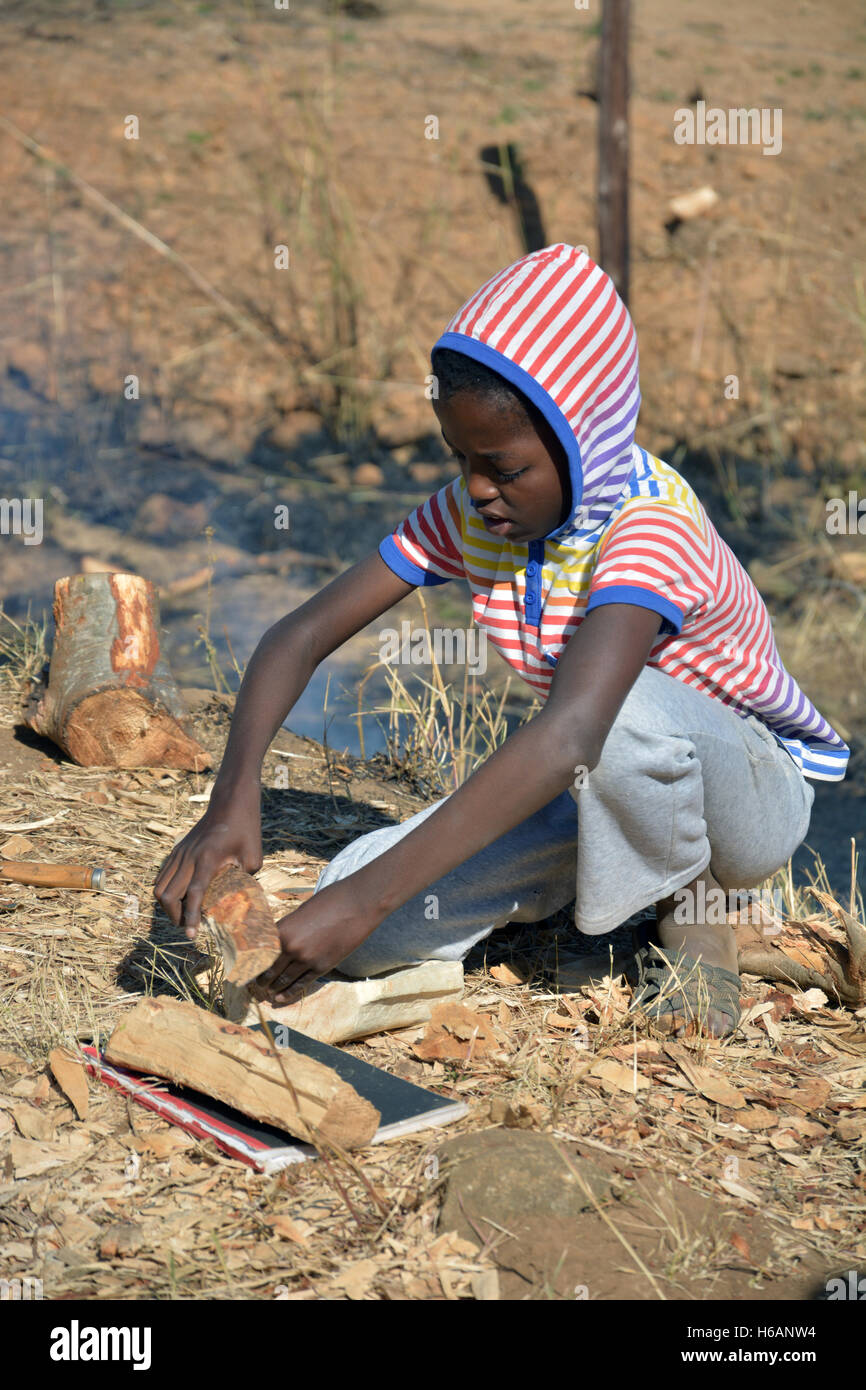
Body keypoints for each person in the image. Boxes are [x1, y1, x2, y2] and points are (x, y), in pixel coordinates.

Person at [155, 243, 847, 1038]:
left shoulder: (649, 528)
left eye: (502, 466)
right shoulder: (476, 512)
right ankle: (595, 894)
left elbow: (580, 729)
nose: (477, 488)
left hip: (744, 789)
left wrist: (364, 899)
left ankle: (694, 915)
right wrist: (233, 796)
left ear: (583, 444)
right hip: (599, 775)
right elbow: (303, 631)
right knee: (361, 920)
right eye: (460, 457)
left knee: (609, 730)